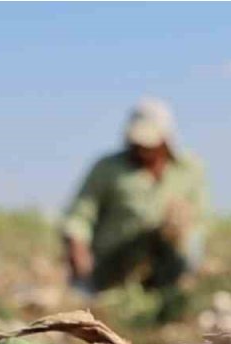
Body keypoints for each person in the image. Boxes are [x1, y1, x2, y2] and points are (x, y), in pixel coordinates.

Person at [61, 97, 210, 303]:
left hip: (169, 261)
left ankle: (169, 296)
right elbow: (79, 216)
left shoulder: (189, 169)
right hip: (115, 264)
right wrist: (77, 248)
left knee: (189, 242)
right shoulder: (107, 168)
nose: (142, 148)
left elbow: (201, 219)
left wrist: (177, 229)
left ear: (166, 140)